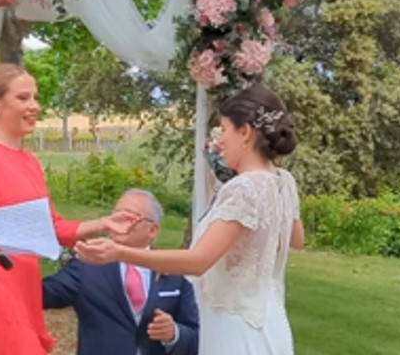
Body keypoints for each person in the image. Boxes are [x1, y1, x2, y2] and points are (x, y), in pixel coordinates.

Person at [76, 84, 305, 355]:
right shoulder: (283, 182)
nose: (221, 141)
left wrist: (120, 252)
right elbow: (296, 240)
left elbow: (198, 262)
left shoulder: (245, 189)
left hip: (235, 326)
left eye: (225, 130)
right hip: (269, 320)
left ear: (245, 133)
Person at [0, 63, 137, 355]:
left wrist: (104, 223)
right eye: (23, 98)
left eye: (35, 97)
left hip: (24, 287)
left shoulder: (30, 163)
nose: (34, 106)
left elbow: (51, 227)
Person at [42, 189, 199, 355]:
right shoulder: (88, 266)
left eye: (130, 217)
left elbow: (195, 337)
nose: (119, 223)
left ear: (152, 230)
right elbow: (39, 295)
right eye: (116, 215)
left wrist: (174, 333)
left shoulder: (173, 272)